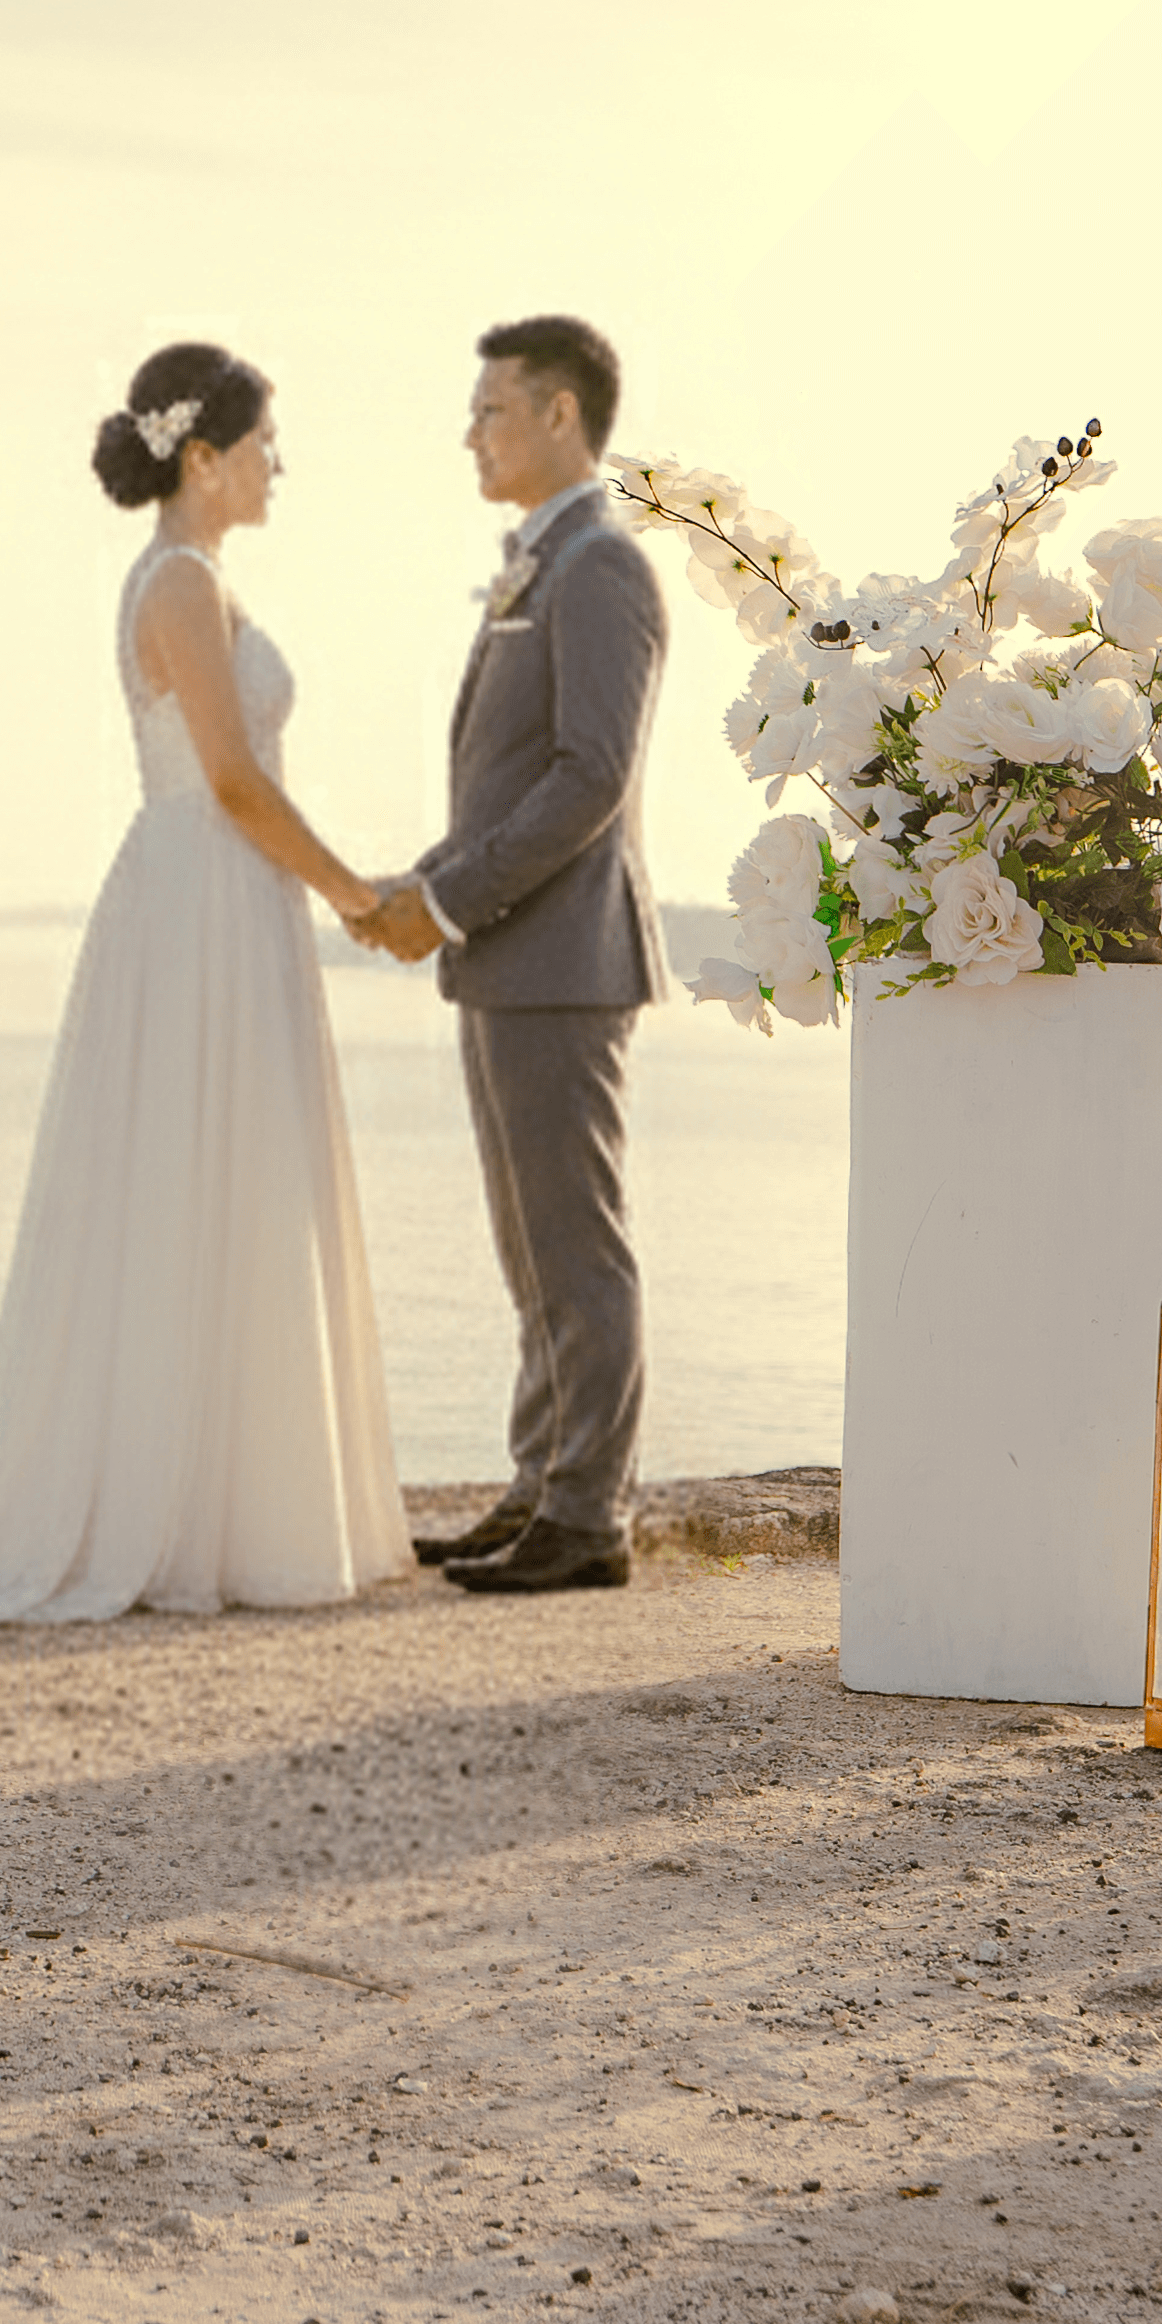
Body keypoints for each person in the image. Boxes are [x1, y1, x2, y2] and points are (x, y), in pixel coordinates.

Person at [0, 343, 412, 1624]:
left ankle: (231, 1498)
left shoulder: (185, 578)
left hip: (214, 894)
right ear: (203, 456)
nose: (279, 468)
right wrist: (357, 894)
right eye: (264, 445)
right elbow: (235, 781)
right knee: (200, 1169)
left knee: (220, 1173)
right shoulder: (184, 583)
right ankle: (188, 1507)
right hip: (206, 886)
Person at [353, 315, 668, 1594]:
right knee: (530, 1245)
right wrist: (426, 885)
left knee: (577, 1247)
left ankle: (590, 1516)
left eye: (490, 409)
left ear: (558, 415)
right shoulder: (540, 565)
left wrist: (449, 897)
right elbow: (508, 781)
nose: (471, 432)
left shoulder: (599, 568)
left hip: (562, 959)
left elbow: (589, 776)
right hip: (508, 955)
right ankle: (542, 1484)